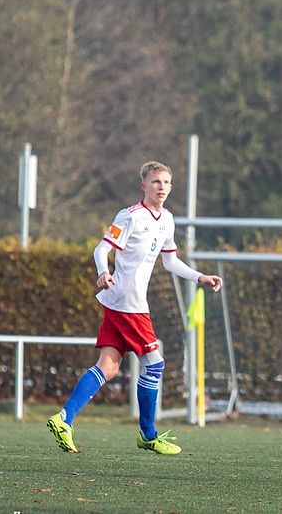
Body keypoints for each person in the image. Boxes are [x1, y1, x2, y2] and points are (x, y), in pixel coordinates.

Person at [47, 161, 223, 455]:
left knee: (109, 366)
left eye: (166, 182)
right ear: (144, 186)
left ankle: (64, 419)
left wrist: (199, 277)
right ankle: (148, 434)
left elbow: (170, 261)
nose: (161, 187)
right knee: (154, 364)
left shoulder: (167, 220)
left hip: (121, 302)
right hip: (128, 301)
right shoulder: (129, 216)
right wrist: (103, 272)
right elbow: (102, 248)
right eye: (155, 182)